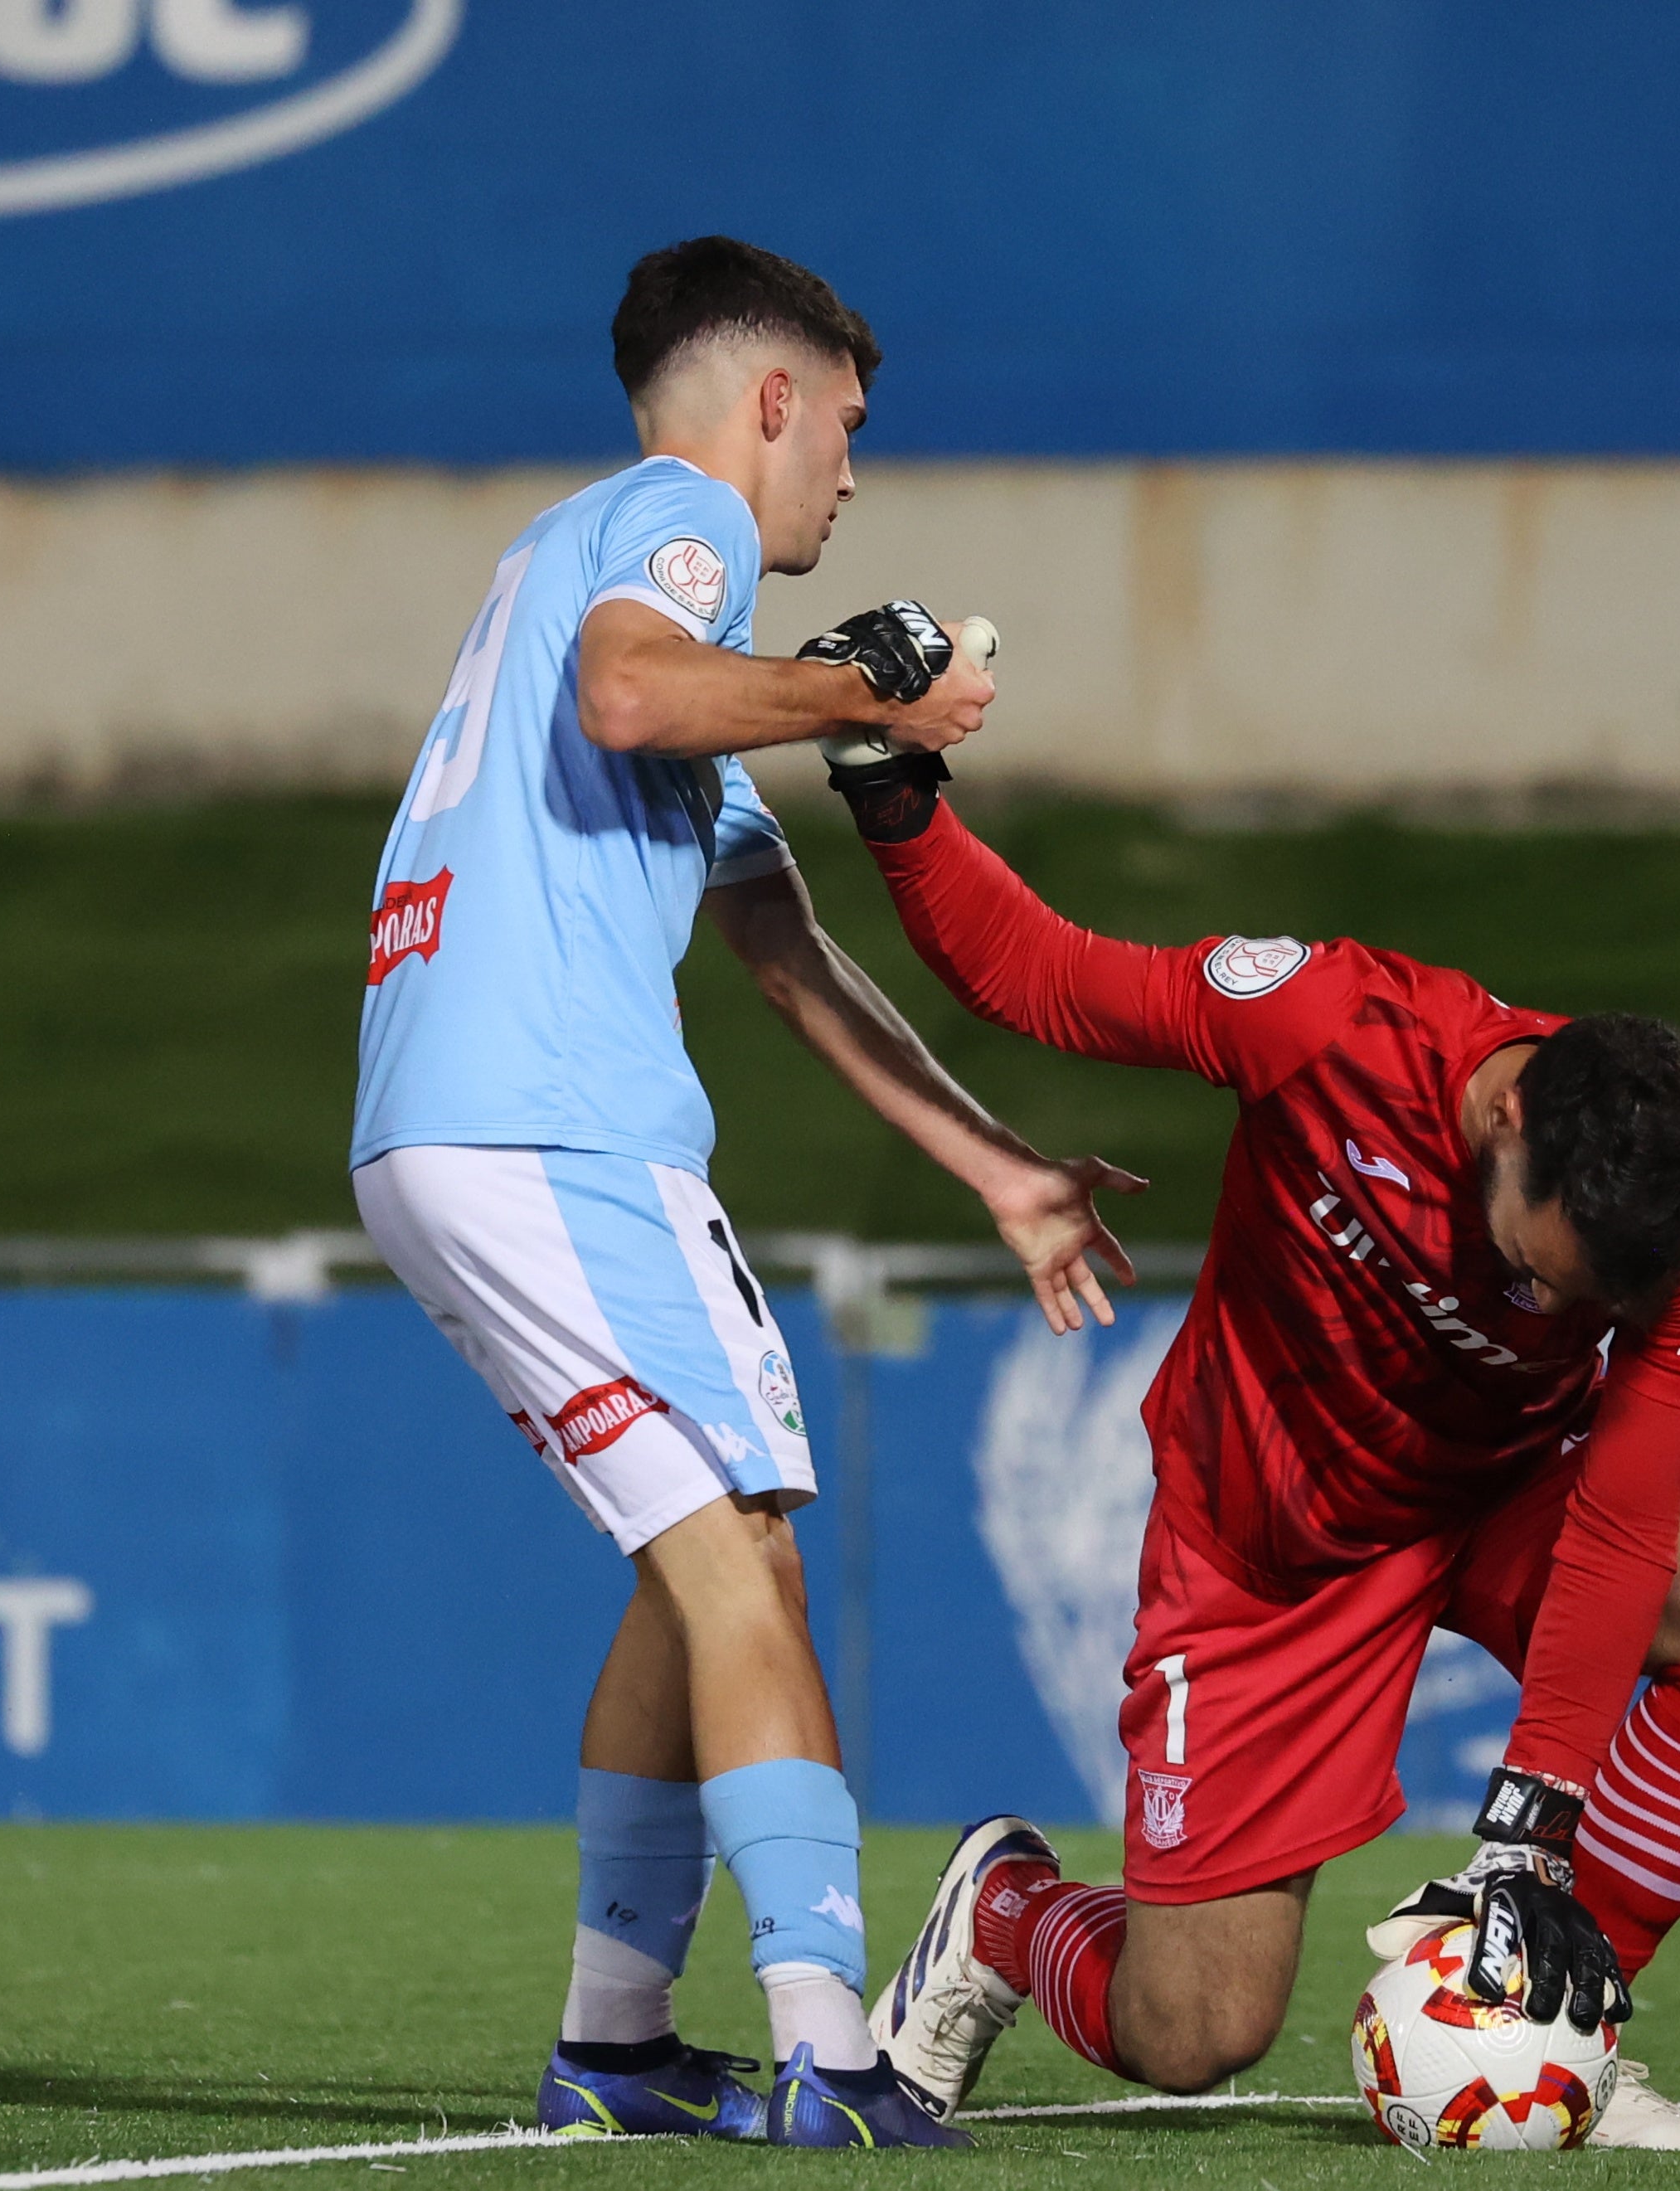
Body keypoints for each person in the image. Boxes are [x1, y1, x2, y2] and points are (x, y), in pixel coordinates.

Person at [348, 236, 1140, 2151]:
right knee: (755, 1547)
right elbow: (636, 695)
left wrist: (1002, 1170)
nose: (850, 475)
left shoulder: (576, 562)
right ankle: (827, 2043)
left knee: (684, 1550)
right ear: (769, 401)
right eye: (846, 426)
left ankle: (614, 2039)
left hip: (433, 1125)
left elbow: (783, 946)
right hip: (556, 1125)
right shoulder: (676, 520)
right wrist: (852, 675)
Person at [831, 749, 1680, 2153]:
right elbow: (1036, 971)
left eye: (1590, 1301)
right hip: (1272, 1539)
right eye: (1537, 1275)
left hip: (1508, 1487)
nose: (1549, 1309)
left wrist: (1531, 1820)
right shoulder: (1323, 1024)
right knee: (1190, 2034)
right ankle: (1004, 1914)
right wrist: (896, 802)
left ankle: (1553, 2025)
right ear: (1504, 1118)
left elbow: (1622, 1513)